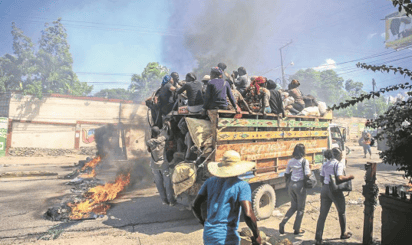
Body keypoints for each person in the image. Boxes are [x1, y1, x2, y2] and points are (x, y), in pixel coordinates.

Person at [192, 150, 262, 245]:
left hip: (209, 233)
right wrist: (256, 235)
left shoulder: (209, 182)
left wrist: (202, 221)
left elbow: (195, 205)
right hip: (226, 235)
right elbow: (248, 214)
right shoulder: (242, 186)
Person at [315, 147, 354, 245]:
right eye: (341, 155)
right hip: (335, 191)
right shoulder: (338, 164)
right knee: (342, 212)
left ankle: (318, 238)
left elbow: (321, 178)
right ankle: (343, 233)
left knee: (322, 215)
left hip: (325, 189)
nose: (341, 157)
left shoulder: (325, 164)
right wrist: (350, 177)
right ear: (337, 155)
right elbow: (339, 178)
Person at [279, 144, 311, 235]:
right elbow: (307, 174)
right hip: (300, 186)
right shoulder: (304, 161)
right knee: (300, 209)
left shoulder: (291, 161)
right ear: (303, 151)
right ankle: (297, 229)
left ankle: (282, 223)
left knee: (293, 207)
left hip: (291, 185)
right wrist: (310, 171)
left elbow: (286, 173)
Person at [146, 126, 176, 206]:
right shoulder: (163, 141)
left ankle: (164, 200)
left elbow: (149, 150)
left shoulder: (150, 142)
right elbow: (168, 139)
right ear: (159, 133)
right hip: (163, 164)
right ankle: (171, 201)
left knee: (159, 184)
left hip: (154, 166)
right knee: (167, 183)